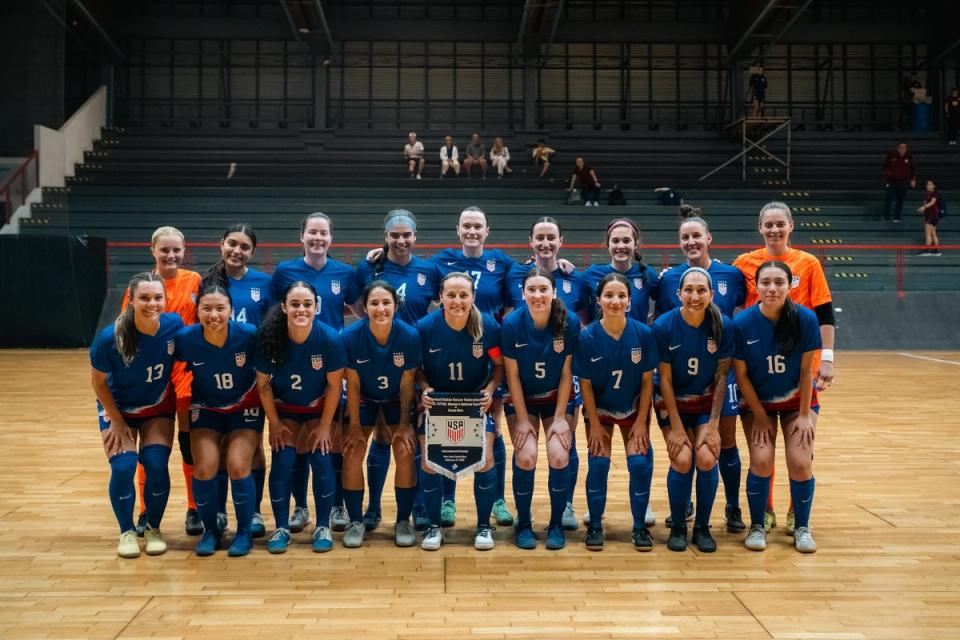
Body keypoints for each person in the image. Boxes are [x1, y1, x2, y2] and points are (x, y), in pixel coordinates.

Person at [733, 201, 835, 535]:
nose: (774, 230)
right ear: (759, 227)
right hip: (757, 364)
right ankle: (764, 512)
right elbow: (730, 304)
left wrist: (829, 359)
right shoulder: (743, 264)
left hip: (798, 366)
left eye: (780, 224)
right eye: (768, 224)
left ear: (791, 226)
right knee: (762, 454)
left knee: (800, 454)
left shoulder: (808, 263)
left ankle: (797, 514)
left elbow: (824, 314)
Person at [655, 216, 747, 533]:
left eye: (697, 235)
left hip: (720, 370)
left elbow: (746, 313)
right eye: (685, 236)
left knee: (723, 444)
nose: (691, 241)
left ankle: (733, 505)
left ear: (709, 237)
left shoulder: (733, 275)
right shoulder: (668, 279)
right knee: (685, 455)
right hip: (680, 373)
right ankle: (684, 505)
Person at [271, 212, 360, 535]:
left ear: (331, 239)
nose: (318, 238)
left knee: (330, 442)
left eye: (323, 233)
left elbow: (359, 310)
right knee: (298, 447)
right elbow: (274, 312)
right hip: (294, 361)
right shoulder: (285, 272)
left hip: (331, 361)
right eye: (312, 232)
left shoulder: (344, 273)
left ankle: (335, 504)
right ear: (302, 237)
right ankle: (300, 507)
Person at [429, 206, 517, 528]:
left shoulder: (502, 262)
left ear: (487, 230)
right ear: (458, 229)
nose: (472, 231)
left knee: (494, 433)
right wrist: (379, 255)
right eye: (466, 225)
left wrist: (560, 266)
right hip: (451, 351)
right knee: (449, 430)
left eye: (478, 226)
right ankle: (447, 499)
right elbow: (407, 267)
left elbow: (526, 279)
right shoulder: (441, 261)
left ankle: (497, 498)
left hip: (486, 351)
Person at [358, 209, 441, 531]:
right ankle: (374, 507)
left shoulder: (428, 270)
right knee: (382, 434)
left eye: (407, 235)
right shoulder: (370, 267)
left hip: (416, 364)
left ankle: (419, 506)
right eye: (395, 235)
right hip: (378, 363)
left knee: (415, 439)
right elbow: (357, 306)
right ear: (386, 235)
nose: (401, 240)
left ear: (415, 236)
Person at [91, 273, 181, 558]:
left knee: (155, 465)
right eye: (144, 297)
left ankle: (153, 527)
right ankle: (126, 531)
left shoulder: (173, 326)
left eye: (157, 297)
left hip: (157, 407)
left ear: (165, 300)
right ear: (130, 300)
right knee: (123, 467)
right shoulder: (110, 338)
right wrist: (116, 420)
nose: (152, 303)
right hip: (119, 410)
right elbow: (98, 383)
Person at [733, 261, 821, 553]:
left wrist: (806, 415)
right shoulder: (742, 324)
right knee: (761, 459)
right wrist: (759, 416)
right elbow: (742, 376)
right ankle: (757, 525)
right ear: (755, 286)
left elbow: (808, 372)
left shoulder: (806, 320)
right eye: (766, 282)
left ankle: (802, 527)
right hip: (759, 403)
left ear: (789, 285)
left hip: (799, 402)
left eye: (779, 282)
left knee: (800, 462)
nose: (772, 288)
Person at [505, 217, 585, 530]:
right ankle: (523, 522)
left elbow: (567, 374)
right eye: (531, 290)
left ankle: (557, 520)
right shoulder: (512, 323)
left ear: (553, 292)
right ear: (522, 292)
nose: (537, 295)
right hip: (523, 398)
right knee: (526, 456)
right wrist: (522, 419)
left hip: (556, 397)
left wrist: (562, 415)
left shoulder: (569, 322)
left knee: (559, 453)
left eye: (543, 289)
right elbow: (511, 377)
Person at [253, 281, 345, 554]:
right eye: (294, 304)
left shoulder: (329, 338)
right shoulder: (268, 337)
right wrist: (275, 423)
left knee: (321, 456)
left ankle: (322, 525)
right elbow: (263, 385)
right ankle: (281, 527)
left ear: (317, 307)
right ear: (284, 307)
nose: (301, 309)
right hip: (286, 409)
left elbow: (333, 386)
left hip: (319, 407)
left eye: (307, 304)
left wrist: (326, 426)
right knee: (283, 459)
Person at [416, 272, 505, 550]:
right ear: (441, 297)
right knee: (430, 462)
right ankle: (433, 526)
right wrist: (425, 387)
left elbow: (500, 365)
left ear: (473, 297)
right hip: (438, 405)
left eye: (463, 295)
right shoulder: (425, 327)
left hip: (474, 404)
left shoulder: (487, 326)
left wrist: (490, 389)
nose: (457, 300)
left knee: (486, 460)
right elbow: (416, 369)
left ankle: (482, 525)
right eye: (451, 295)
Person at [174, 282, 262, 557]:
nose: (214, 314)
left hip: (243, 406)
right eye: (207, 308)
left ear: (231, 311)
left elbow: (268, 370)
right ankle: (211, 529)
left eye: (220, 308)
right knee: (204, 469)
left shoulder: (248, 335)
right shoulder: (186, 339)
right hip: (206, 406)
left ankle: (244, 532)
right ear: (197, 311)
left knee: (237, 465)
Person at [126, 226, 202, 538]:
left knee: (188, 445)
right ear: (153, 251)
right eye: (164, 250)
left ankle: (194, 507)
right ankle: (145, 510)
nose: (170, 255)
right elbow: (127, 334)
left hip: (184, 373)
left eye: (176, 250)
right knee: (150, 449)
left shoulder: (194, 281)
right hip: (152, 376)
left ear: (184, 251)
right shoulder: (141, 287)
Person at [575, 273, 659, 551]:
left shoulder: (643, 334)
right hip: (600, 410)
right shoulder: (586, 337)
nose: (615, 301)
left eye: (621, 296)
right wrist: (595, 425)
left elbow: (648, 381)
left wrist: (641, 423)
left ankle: (638, 527)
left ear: (629, 301)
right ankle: (595, 525)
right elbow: (585, 386)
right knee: (598, 463)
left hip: (634, 410)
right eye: (609, 295)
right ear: (598, 301)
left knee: (638, 463)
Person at [652, 267, 734, 553]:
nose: (695, 296)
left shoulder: (723, 325)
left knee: (708, 457)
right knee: (683, 458)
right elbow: (664, 379)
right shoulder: (663, 326)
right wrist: (675, 426)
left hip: (705, 401)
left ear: (712, 294)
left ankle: (701, 526)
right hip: (671, 400)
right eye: (689, 290)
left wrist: (712, 425)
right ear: (678, 294)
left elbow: (722, 378)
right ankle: (678, 525)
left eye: (701, 290)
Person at [204, 224, 272, 538]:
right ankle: (218, 514)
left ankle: (254, 511)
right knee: (216, 446)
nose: (237, 251)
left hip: (251, 377)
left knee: (253, 445)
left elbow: (270, 328)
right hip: (213, 375)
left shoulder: (264, 283)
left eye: (245, 247)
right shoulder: (205, 282)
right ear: (221, 244)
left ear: (252, 252)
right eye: (232, 243)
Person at [341, 281, 421, 548]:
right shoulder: (350, 337)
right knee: (352, 452)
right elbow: (352, 385)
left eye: (386, 303)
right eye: (374, 303)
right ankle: (355, 520)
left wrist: (405, 424)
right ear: (364, 308)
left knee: (404, 449)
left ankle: (402, 520)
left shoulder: (409, 336)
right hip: (364, 399)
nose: (380, 308)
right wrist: (353, 426)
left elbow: (408, 383)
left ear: (395, 306)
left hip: (396, 400)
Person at [581, 218, 660, 326]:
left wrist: (656, 318)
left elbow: (667, 299)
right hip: (601, 341)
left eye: (626, 241)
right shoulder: (591, 274)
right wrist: (561, 262)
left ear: (635, 244)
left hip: (637, 341)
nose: (621, 246)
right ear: (608, 244)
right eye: (615, 241)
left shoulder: (647, 274)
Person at [882, 142, 917, 222]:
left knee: (900, 200)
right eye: (901, 147)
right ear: (898, 148)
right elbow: (885, 167)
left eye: (904, 147)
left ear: (906, 149)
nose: (902, 149)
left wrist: (913, 180)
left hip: (903, 182)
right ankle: (886, 218)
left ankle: (897, 217)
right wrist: (889, 174)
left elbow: (913, 170)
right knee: (888, 199)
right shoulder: (891, 156)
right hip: (891, 182)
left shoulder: (909, 157)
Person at [917, 179, 942, 256]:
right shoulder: (928, 194)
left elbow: (933, 202)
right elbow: (928, 203)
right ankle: (936, 251)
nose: (928, 185)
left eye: (930, 184)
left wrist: (924, 207)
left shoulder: (935, 193)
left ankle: (926, 251)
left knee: (928, 234)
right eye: (927, 184)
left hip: (932, 216)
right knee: (933, 233)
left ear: (934, 186)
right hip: (932, 216)